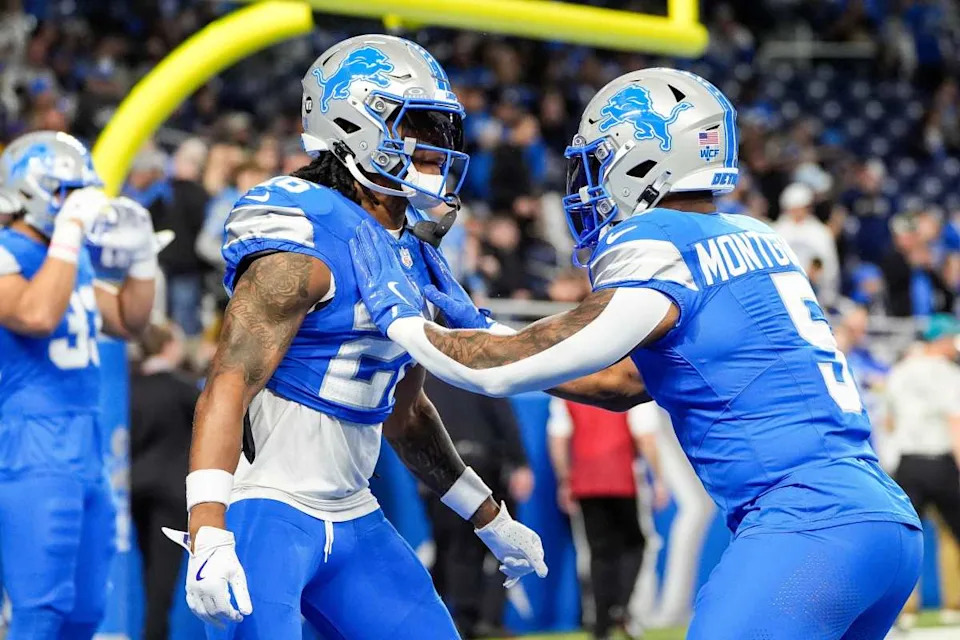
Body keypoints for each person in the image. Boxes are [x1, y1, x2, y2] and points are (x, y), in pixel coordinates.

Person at [351, 67, 924, 640]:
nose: (587, 183)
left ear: (645, 159)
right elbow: (624, 382)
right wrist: (481, 323)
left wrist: (402, 318)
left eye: (599, 162)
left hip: (806, 526)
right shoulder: (756, 236)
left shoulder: (657, 243)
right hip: (880, 520)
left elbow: (501, 372)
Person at [161, 35, 645, 640]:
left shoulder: (411, 256)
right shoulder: (303, 248)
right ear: (351, 125)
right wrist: (208, 526)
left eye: (441, 130)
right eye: (415, 126)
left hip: (355, 510)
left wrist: (488, 515)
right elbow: (226, 384)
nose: (436, 149)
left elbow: (408, 413)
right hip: (264, 510)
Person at [0, 130, 158, 639]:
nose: (78, 204)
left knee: (88, 609)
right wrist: (68, 232)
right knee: (40, 606)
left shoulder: (70, 259)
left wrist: (142, 259)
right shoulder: (9, 251)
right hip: (30, 443)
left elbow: (130, 320)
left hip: (86, 446)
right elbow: (36, 314)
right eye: (67, 192)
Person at [422, 373, 532, 639]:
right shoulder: (474, 369)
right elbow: (502, 414)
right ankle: (484, 619)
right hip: (483, 466)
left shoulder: (422, 374)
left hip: (437, 470)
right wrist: (520, 463)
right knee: (501, 544)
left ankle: (463, 621)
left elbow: (409, 420)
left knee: (455, 549)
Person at [547, 399, 666, 640]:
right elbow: (645, 436)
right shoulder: (629, 385)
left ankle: (602, 624)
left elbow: (558, 439)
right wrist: (659, 479)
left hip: (587, 480)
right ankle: (621, 606)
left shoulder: (569, 389)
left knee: (599, 553)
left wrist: (564, 480)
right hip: (624, 478)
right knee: (636, 544)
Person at [130, 323, 198, 640]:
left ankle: (152, 630)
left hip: (136, 487)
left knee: (148, 570)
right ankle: (154, 634)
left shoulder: (130, 388)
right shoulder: (182, 390)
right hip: (172, 492)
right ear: (169, 346)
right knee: (163, 577)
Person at [885, 314, 960, 576]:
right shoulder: (949, 373)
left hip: (907, 465)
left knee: (902, 541)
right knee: (954, 533)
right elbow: (955, 422)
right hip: (940, 463)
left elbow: (888, 422)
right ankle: (953, 604)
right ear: (942, 339)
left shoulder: (900, 369)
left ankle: (899, 610)